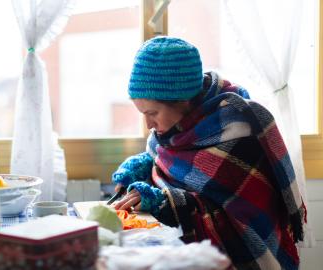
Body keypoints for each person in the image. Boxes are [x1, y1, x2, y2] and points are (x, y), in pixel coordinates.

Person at [112, 36, 307, 270]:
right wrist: (143, 163)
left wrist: (166, 202)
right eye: (142, 113)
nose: (148, 125)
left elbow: (234, 217)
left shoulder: (237, 131)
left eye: (152, 113)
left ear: (182, 101)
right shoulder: (175, 127)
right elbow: (164, 155)